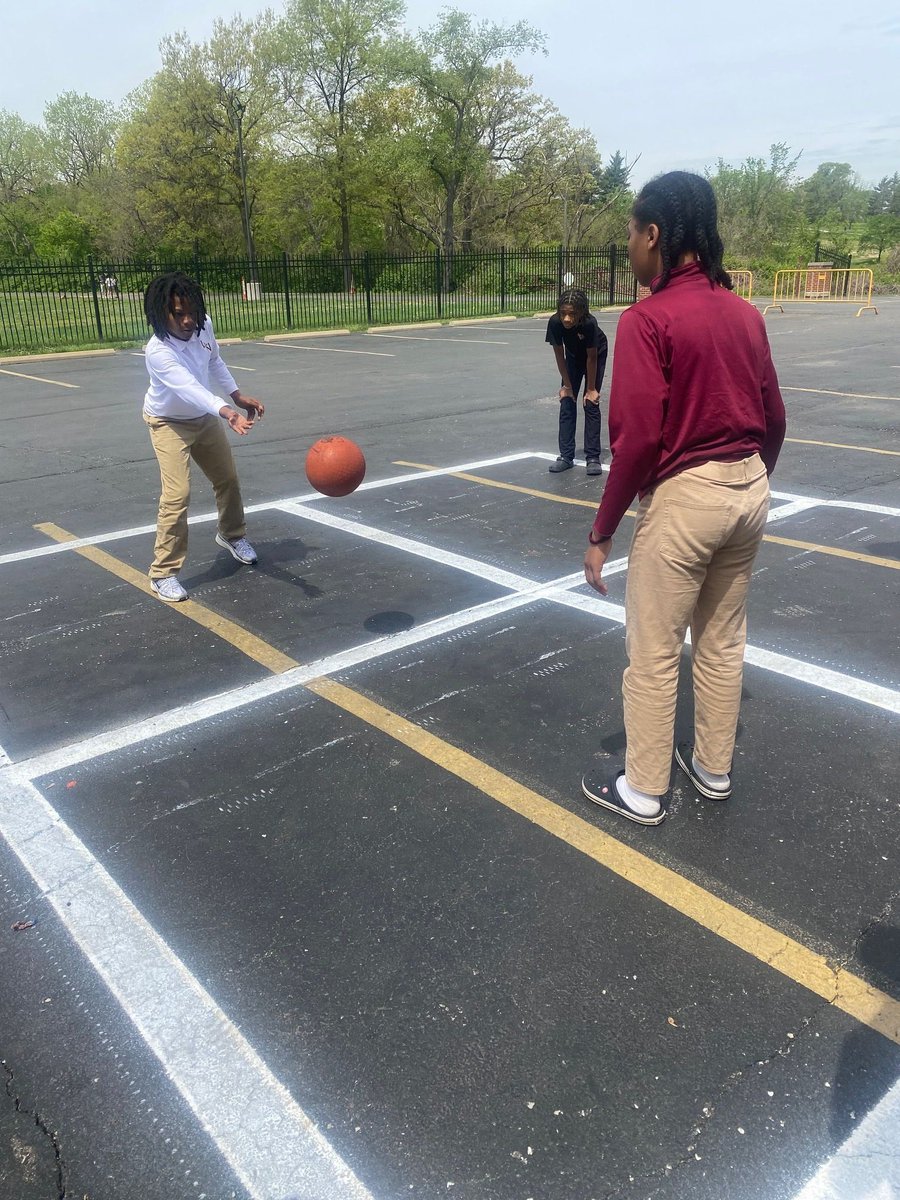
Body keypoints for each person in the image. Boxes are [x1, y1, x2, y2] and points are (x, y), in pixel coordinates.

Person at [581, 171, 786, 825]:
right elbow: (774, 416)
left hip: (688, 497)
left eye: (632, 237)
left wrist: (602, 530)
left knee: (654, 651)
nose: (631, 251)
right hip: (750, 486)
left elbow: (638, 438)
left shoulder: (648, 319)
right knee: (723, 643)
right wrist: (749, 482)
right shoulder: (744, 313)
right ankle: (712, 768)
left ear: (655, 235)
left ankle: (643, 789)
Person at [142, 271, 265, 603]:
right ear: (159, 313)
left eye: (191, 311)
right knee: (177, 494)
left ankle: (231, 535)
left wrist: (237, 396)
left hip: (205, 417)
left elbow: (214, 361)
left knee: (227, 479)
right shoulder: (158, 351)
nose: (187, 320)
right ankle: (162, 573)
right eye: (178, 314)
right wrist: (227, 412)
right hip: (168, 422)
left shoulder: (203, 326)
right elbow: (190, 388)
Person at [545, 287, 608, 475]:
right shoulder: (555, 323)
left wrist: (590, 389)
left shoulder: (589, 324)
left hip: (595, 353)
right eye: (563, 313)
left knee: (590, 402)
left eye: (572, 314)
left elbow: (592, 358)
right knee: (567, 400)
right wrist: (567, 386)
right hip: (572, 356)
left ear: (581, 312)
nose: (566, 319)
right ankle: (565, 456)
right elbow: (559, 354)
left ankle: (593, 457)